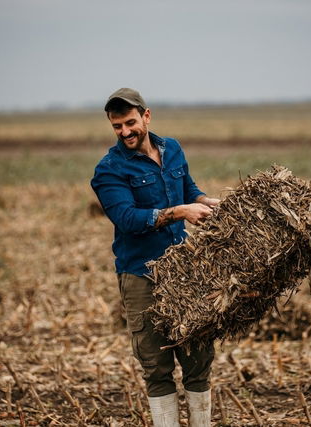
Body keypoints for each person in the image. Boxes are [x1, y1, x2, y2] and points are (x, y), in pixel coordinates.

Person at [91, 88, 218, 426]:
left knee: (198, 358)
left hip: (185, 272)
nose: (125, 132)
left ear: (146, 116)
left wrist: (206, 202)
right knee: (156, 366)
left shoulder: (172, 150)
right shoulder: (109, 170)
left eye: (130, 122)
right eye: (117, 126)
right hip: (141, 276)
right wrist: (180, 213)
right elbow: (128, 219)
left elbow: (188, 188)